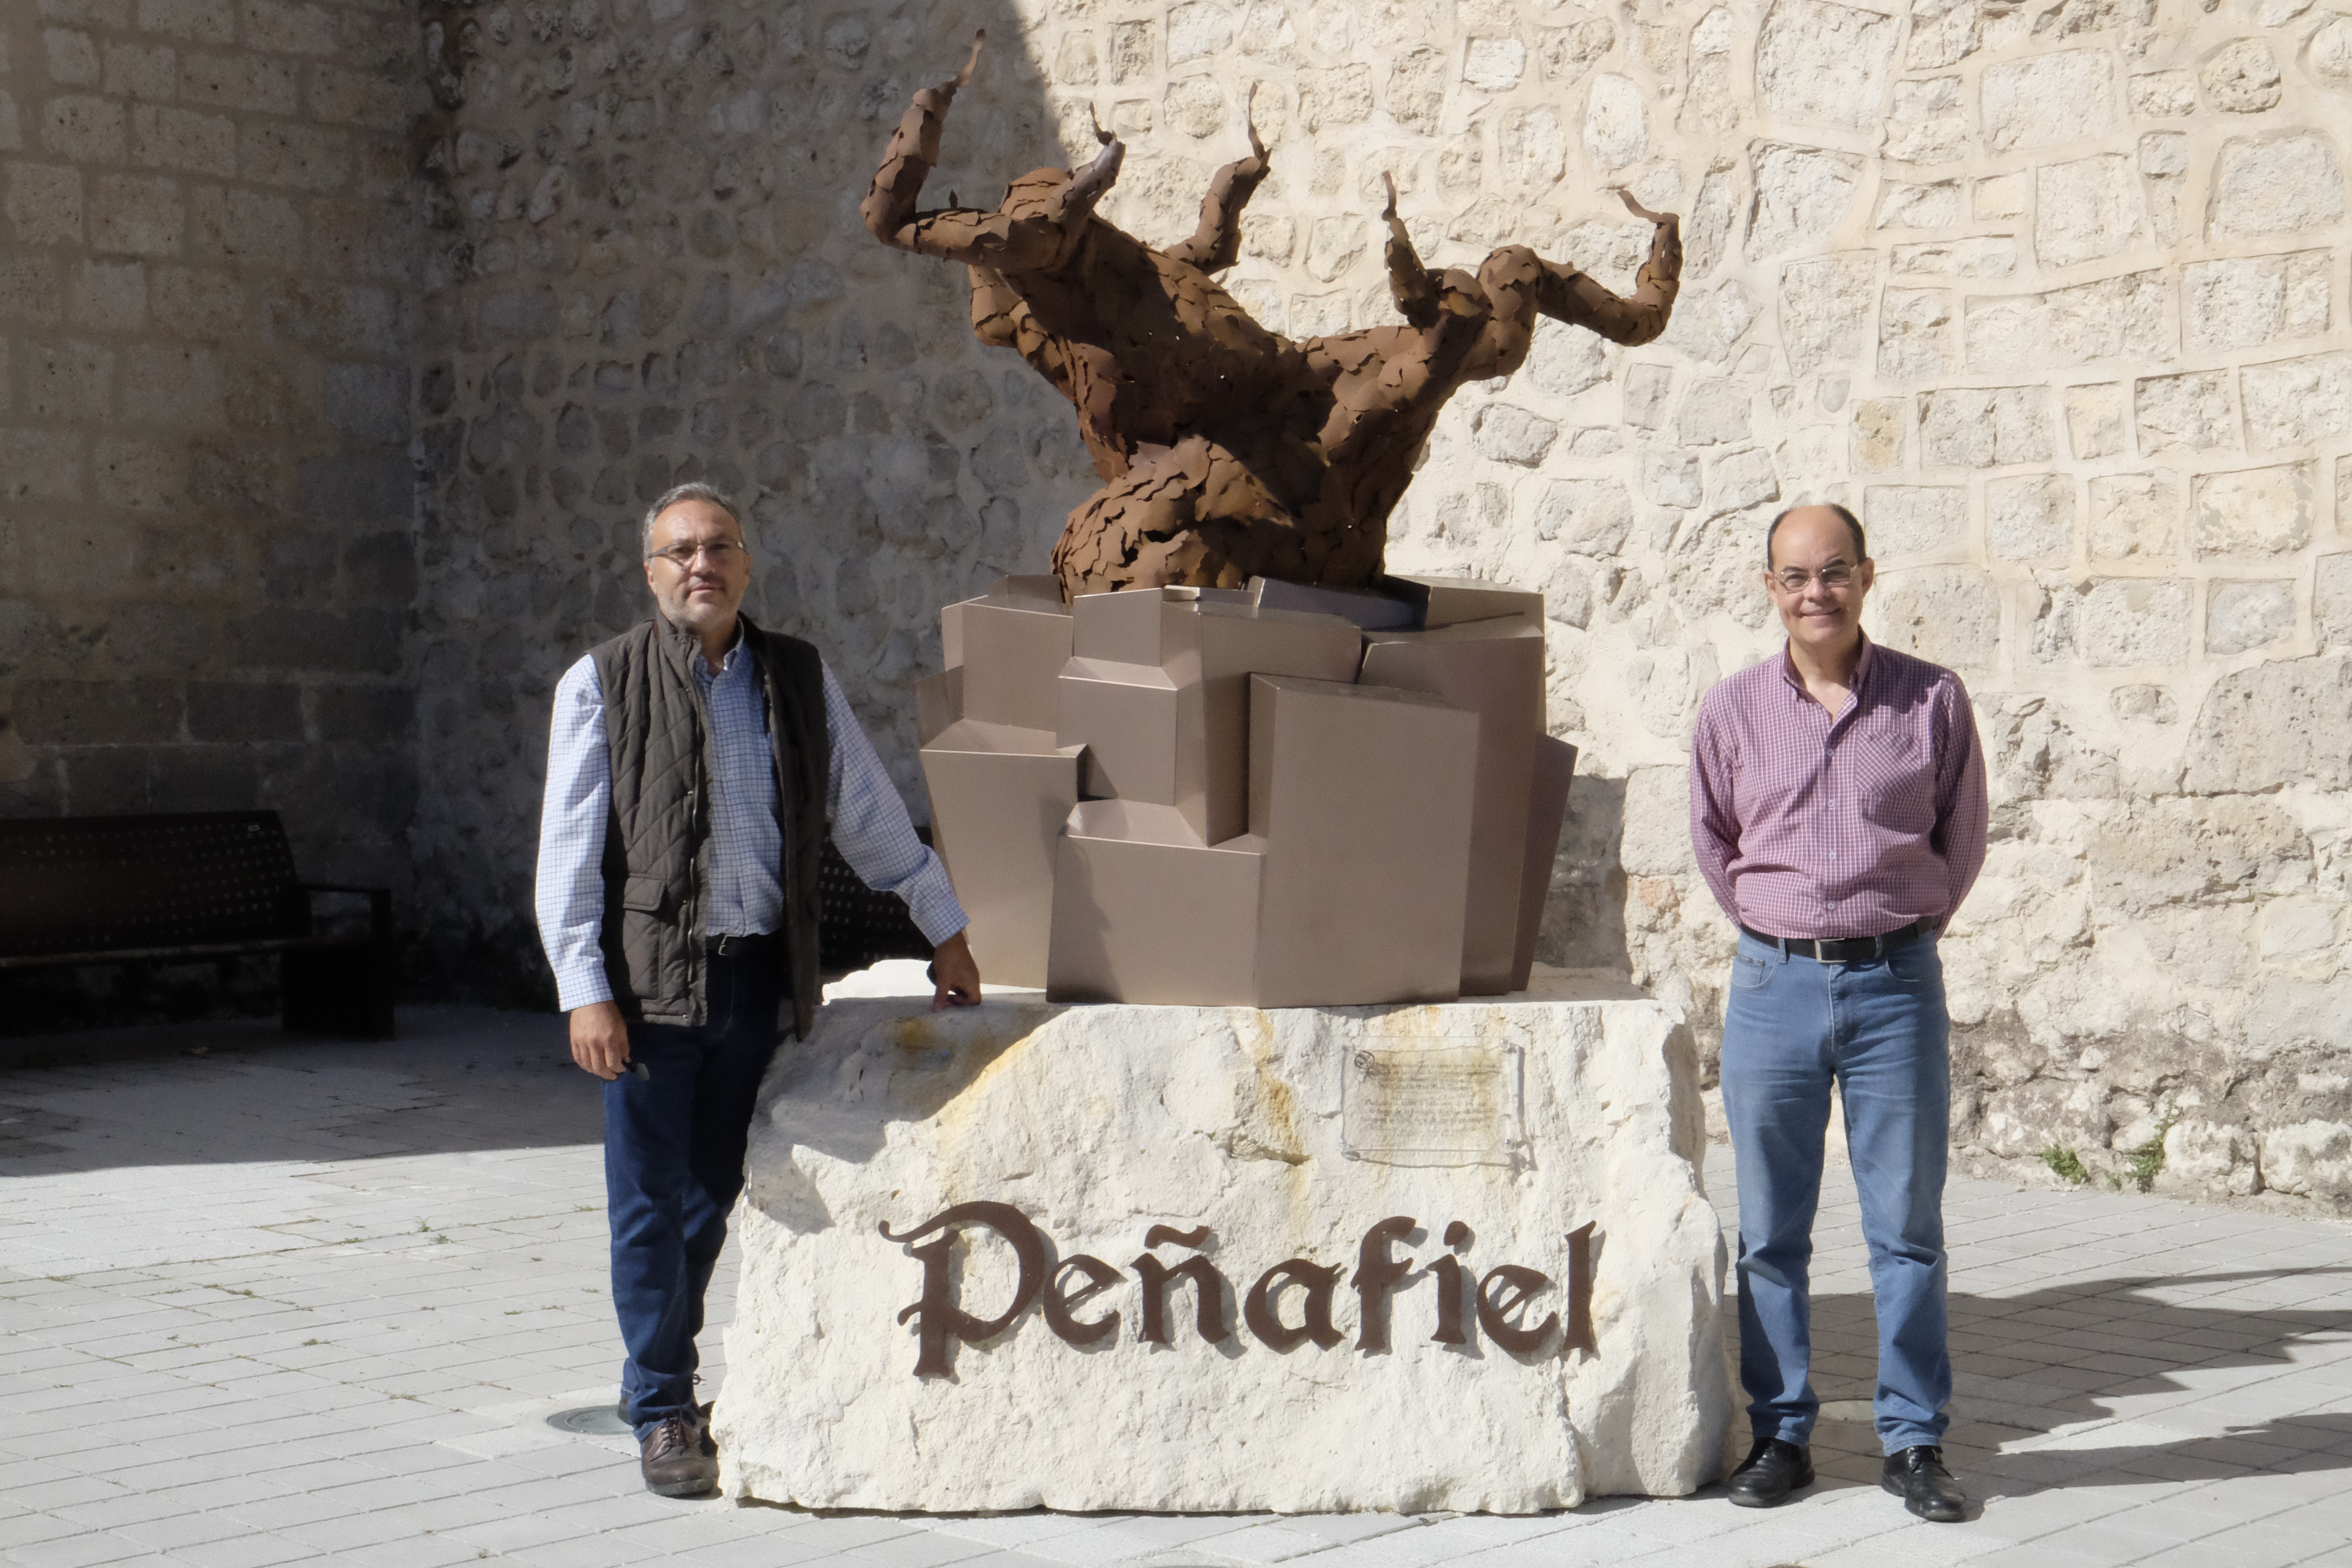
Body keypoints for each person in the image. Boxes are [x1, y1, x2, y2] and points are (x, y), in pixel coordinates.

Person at [534, 481, 982, 1497]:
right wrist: (583, 989)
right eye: (681, 551)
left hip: (754, 981)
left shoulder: (797, 676)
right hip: (648, 993)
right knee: (648, 1206)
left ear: (745, 563)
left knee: (709, 1196)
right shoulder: (601, 682)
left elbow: (867, 812)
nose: (703, 565)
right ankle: (662, 1407)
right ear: (651, 573)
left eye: (720, 547)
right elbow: (569, 851)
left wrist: (944, 927)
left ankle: (661, 1379)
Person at [1687, 502, 1988, 1523]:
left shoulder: (1932, 698)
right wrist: (1780, 932)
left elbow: (1963, 836)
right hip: (1773, 987)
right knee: (1770, 1231)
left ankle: (1913, 1442)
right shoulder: (1732, 709)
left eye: (1835, 571)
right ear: (1770, 587)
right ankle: (1782, 1435)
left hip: (1896, 986)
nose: (1816, 592)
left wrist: (1901, 932)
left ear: (1866, 575)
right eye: (1796, 576)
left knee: (1907, 1230)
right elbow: (1714, 841)